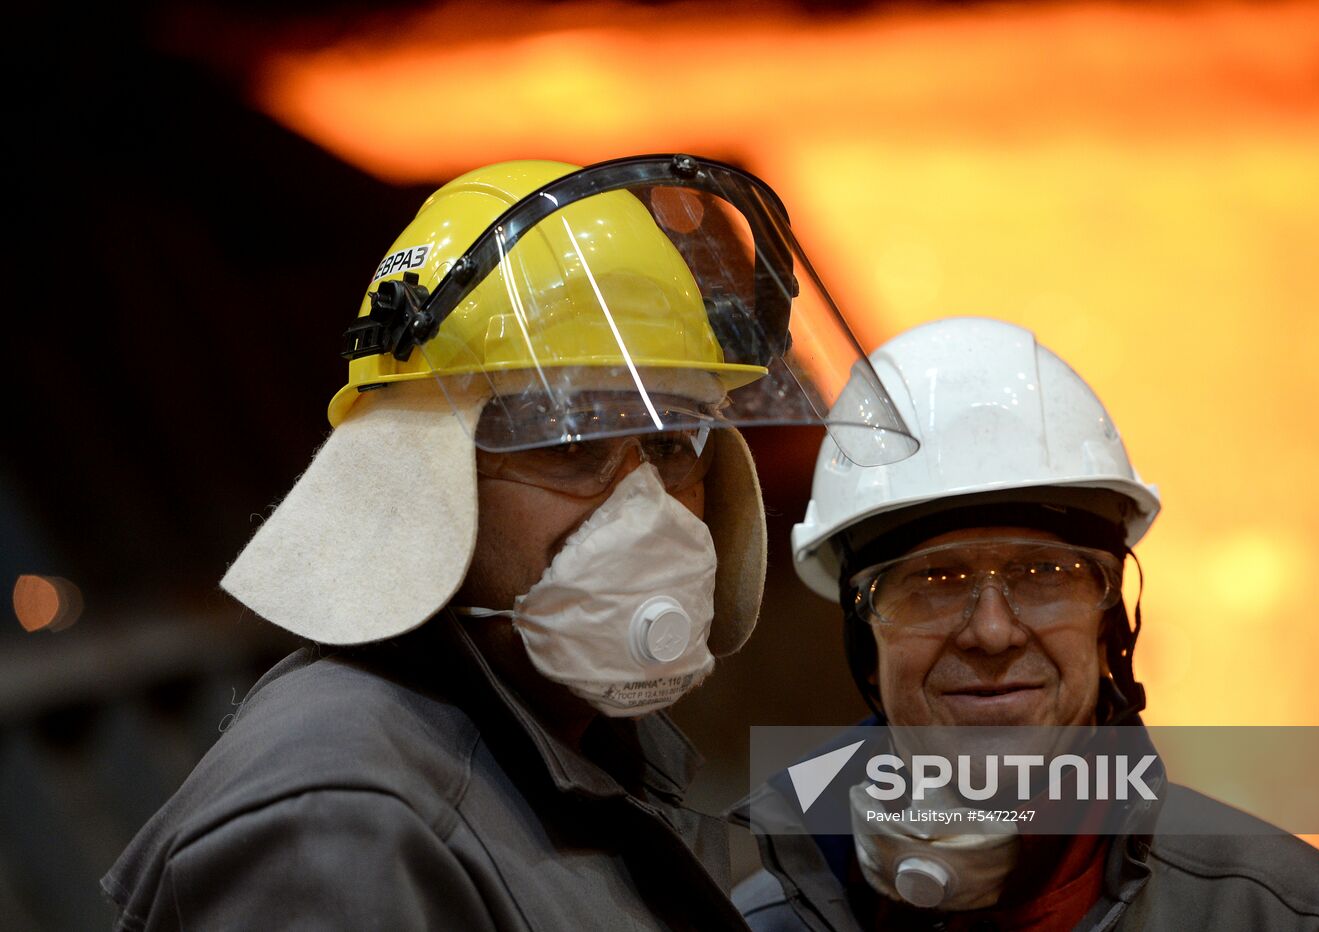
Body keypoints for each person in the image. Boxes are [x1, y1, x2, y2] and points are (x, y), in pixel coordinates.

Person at [100, 155, 916, 930]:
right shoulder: (344, 825)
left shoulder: (565, 754)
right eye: (570, 448)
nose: (649, 514)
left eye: (671, 448)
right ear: (424, 479)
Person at [732, 317, 1319, 931]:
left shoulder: (1280, 916)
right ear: (864, 640)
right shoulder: (752, 924)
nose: (992, 633)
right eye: (934, 581)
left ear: (1109, 625)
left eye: (1046, 575)